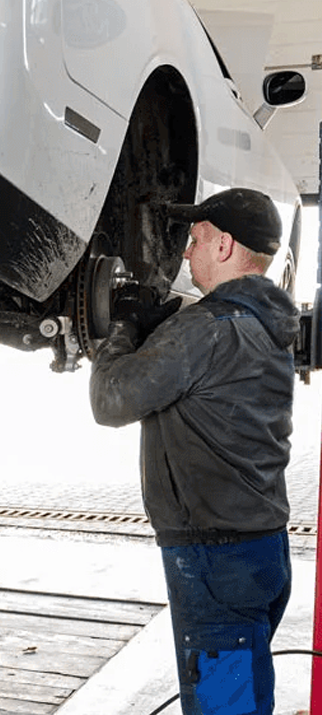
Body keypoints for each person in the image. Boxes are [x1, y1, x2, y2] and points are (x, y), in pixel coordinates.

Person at [89, 187, 299, 715]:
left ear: (225, 246)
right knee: (241, 695)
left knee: (227, 707)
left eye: (196, 239)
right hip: (261, 549)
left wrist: (124, 327)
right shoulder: (268, 324)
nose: (186, 252)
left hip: (215, 558)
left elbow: (111, 400)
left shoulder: (203, 330)